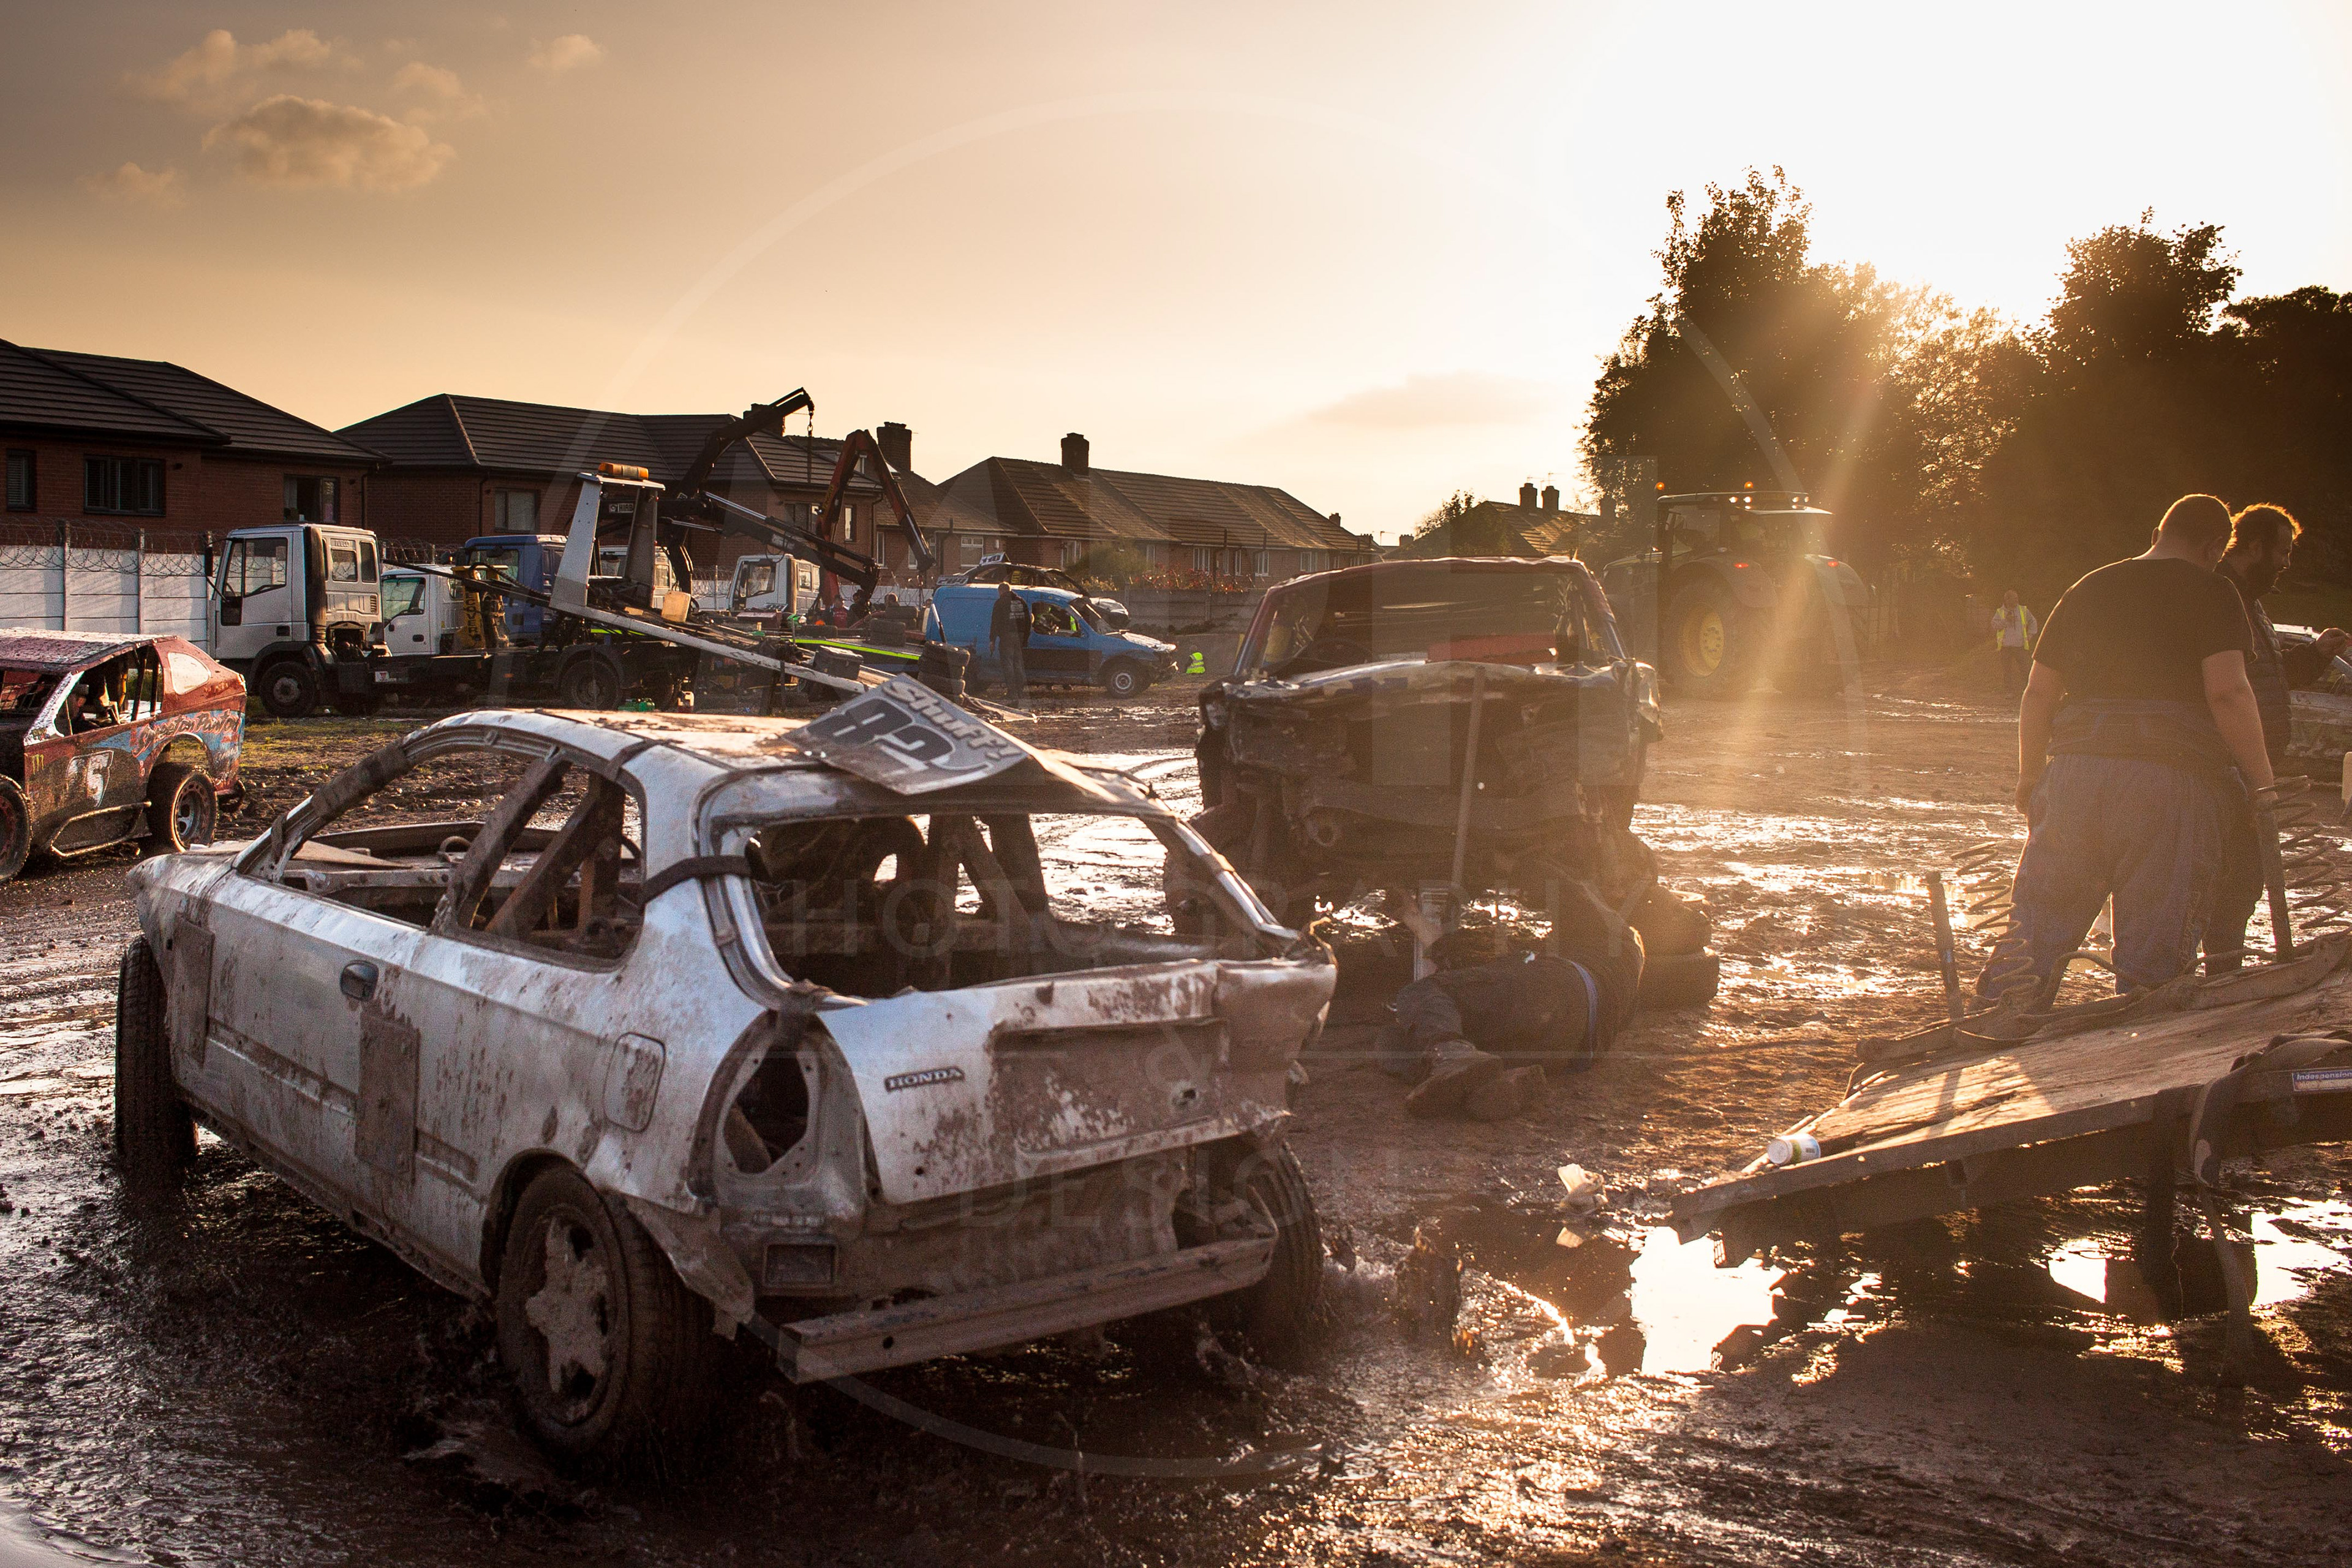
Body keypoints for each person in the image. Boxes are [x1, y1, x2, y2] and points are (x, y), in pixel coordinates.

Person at [1986, 494, 2272, 1002]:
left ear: (2158, 532)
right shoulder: (2214, 591)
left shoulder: (2090, 585)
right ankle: (2143, 1053)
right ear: (2213, 547)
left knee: (2035, 934)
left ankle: (1987, 1041)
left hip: (2076, 771)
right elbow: (2228, 692)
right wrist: (2263, 785)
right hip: (2170, 780)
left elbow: (2037, 693)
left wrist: (2031, 779)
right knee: (2153, 962)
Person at [2204, 503, 2351, 970]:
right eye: (2282, 551)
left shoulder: (2251, 603)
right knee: (2225, 874)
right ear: (2253, 547)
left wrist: (2317, 656)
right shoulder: (2220, 596)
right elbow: (2224, 688)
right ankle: (2208, 974)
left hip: (2252, 762)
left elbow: (2266, 679)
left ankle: (2221, 970)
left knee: (2245, 875)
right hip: (2227, 764)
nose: (2287, 563)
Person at [1376, 888, 1645, 1121]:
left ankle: (1455, 1058)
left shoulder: (1613, 938)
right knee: (1405, 1038)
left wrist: (1512, 862)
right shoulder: (1625, 994)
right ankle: (1493, 1084)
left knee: (1421, 996)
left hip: (1554, 988)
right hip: (1565, 1051)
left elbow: (1460, 957)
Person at [989, 582, 1031, 706]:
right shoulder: (1021, 601)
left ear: (1001, 591)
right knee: (1018, 664)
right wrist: (1025, 638)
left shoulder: (1000, 602)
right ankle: (1020, 691)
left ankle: (1012, 692)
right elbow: (1028, 621)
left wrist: (992, 640)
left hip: (1007, 636)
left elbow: (995, 622)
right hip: (1020, 636)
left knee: (1008, 664)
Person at [1991, 589, 2038, 696]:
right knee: (2007, 671)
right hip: (2005, 646)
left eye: (2017, 598)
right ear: (2007, 599)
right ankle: (2009, 692)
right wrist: (2006, 620)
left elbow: (2033, 621)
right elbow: (1994, 626)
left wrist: (2031, 634)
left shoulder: (2023, 610)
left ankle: (2027, 692)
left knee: (2025, 669)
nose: (2017, 600)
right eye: (2014, 598)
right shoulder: (2000, 612)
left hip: (2020, 645)